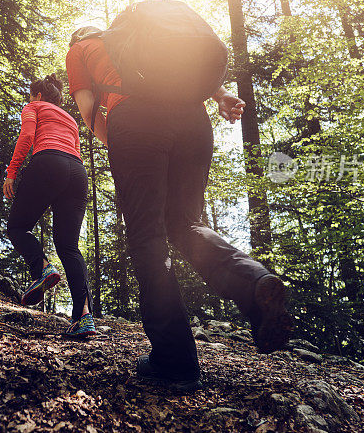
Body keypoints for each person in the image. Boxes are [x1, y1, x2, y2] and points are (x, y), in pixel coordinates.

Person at [65, 26, 292, 390]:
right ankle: (253, 284)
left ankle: (175, 360)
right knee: (186, 223)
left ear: (77, 37)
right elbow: (191, 72)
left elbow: (89, 108)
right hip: (192, 118)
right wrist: (219, 94)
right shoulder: (135, 36)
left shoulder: (81, 49)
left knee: (147, 235)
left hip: (135, 120)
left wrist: (120, 145)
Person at [4, 74, 97, 338]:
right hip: (77, 173)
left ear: (38, 96)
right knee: (69, 247)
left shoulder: (34, 107)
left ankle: (42, 268)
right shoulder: (70, 119)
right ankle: (84, 318)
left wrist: (12, 172)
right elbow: (74, 150)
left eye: (31, 96)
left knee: (18, 227)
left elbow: (27, 136)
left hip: (48, 163)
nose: (29, 100)